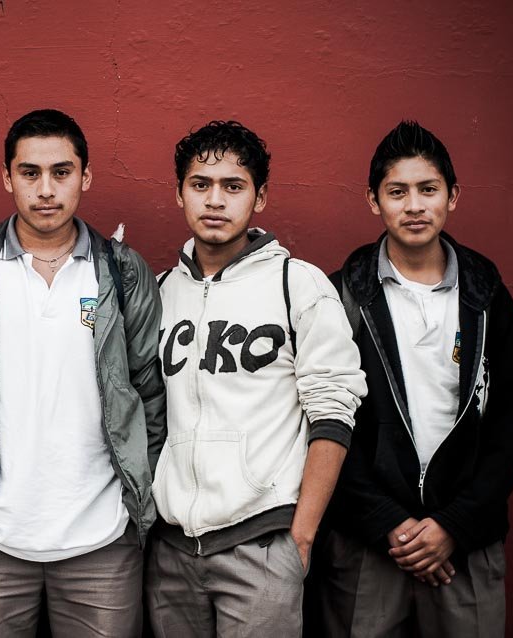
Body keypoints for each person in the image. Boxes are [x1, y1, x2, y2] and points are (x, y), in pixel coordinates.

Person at [0, 108, 165, 637]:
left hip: (103, 541)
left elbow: (152, 393)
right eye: (30, 173)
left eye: (62, 172)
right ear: (8, 178)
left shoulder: (123, 271)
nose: (46, 188)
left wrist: (134, 507)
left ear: (86, 177)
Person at [146, 120, 367, 637]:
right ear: (180, 193)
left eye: (233, 186)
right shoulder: (159, 292)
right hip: (173, 551)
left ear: (260, 197)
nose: (215, 200)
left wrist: (301, 538)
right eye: (201, 185)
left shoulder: (298, 284)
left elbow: (333, 412)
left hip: (263, 545)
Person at [316, 121, 513, 637]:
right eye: (397, 192)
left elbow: (511, 423)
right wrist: (388, 524)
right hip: (367, 545)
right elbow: (324, 421)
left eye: (427, 189)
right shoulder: (340, 295)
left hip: (465, 548)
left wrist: (453, 526)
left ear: (452, 196)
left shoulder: (487, 295)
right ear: (374, 202)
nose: (414, 205)